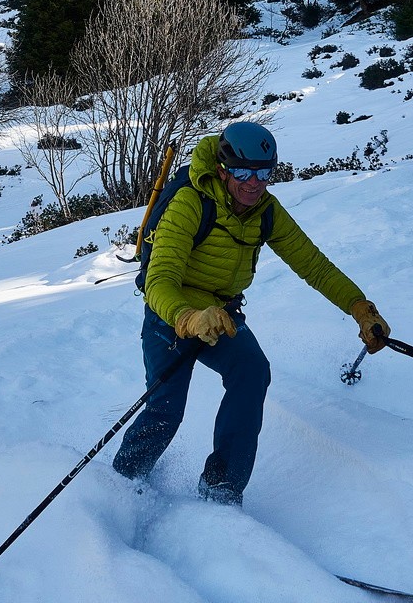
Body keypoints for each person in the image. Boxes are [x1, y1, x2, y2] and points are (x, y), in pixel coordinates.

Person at [111, 121, 390, 505]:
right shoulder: (191, 203)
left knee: (252, 372)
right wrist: (188, 317)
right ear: (223, 169)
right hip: (171, 316)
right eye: (242, 171)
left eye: (263, 172)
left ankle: (221, 487)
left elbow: (315, 266)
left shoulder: (266, 211)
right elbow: (159, 279)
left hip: (222, 316)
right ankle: (120, 486)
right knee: (166, 409)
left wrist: (361, 308)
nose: (253, 183)